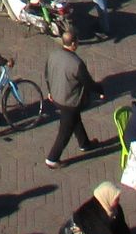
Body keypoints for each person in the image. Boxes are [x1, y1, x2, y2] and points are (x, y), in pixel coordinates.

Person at [42, 29, 99, 167]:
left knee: (75, 120)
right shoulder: (76, 63)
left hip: (56, 96)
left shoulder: (53, 55)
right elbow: (88, 82)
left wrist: (50, 91)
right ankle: (52, 159)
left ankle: (84, 143)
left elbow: (47, 75)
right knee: (65, 132)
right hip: (70, 101)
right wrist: (100, 90)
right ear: (73, 44)